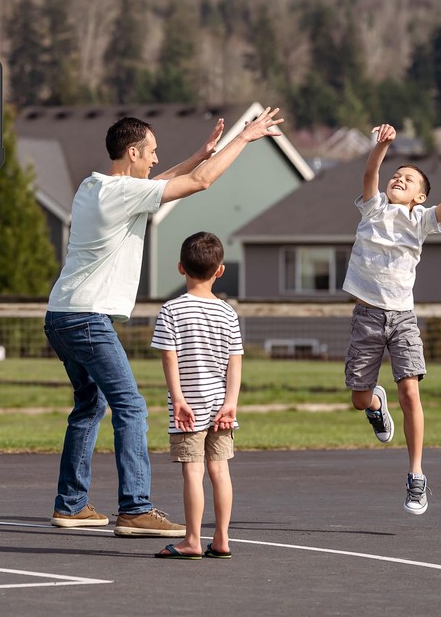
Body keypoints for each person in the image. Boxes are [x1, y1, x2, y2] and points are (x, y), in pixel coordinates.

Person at [45, 107, 283, 537]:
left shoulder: (95, 186)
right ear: (133, 152)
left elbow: (160, 183)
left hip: (61, 314)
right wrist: (244, 139)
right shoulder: (120, 192)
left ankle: (71, 504)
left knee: (90, 405)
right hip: (87, 318)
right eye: (151, 151)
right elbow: (200, 184)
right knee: (131, 408)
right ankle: (135, 508)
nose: (155, 158)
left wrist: (200, 154)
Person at [343, 123, 441, 516]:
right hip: (366, 317)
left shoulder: (421, 221)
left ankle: (416, 475)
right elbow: (369, 174)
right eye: (397, 175)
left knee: (410, 392)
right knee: (360, 398)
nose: (399, 179)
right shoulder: (373, 207)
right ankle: (375, 403)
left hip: (402, 319)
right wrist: (382, 147)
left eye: (408, 179)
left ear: (420, 196)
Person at [151, 232, 243, 560]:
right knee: (220, 470)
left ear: (180, 268)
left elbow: (169, 357)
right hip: (221, 405)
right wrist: (231, 403)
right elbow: (235, 363)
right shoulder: (228, 314)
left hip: (187, 407)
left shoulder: (171, 310)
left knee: (193, 471)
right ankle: (221, 538)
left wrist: (177, 398)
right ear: (220, 271)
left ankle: (191, 539)